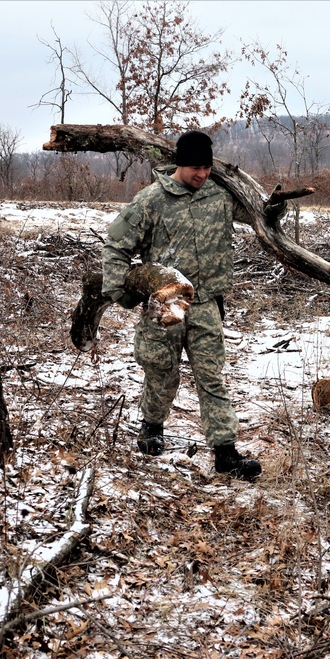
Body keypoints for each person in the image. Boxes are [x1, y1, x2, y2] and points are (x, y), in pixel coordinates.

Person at [101, 130, 268, 481]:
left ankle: (225, 452)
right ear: (179, 163)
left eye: (207, 167)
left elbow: (261, 213)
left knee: (211, 377)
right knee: (163, 371)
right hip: (168, 301)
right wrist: (120, 290)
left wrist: (276, 206)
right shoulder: (151, 200)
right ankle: (151, 428)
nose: (202, 174)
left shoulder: (221, 196)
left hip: (206, 303)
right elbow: (116, 245)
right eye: (195, 168)